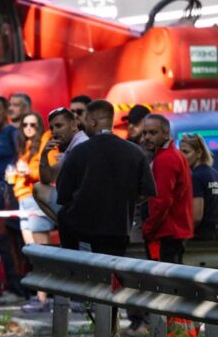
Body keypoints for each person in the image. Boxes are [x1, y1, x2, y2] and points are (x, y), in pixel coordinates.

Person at [54, 99, 155, 256]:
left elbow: (63, 195)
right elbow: (146, 192)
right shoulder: (135, 152)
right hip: (119, 230)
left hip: (84, 233)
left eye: (86, 120)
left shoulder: (79, 152)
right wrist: (122, 202)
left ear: (93, 122)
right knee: (112, 269)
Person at [13, 111, 54, 313]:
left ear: (40, 127)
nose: (28, 128)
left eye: (33, 125)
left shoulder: (46, 143)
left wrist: (28, 172)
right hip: (24, 199)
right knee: (32, 252)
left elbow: (49, 172)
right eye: (25, 125)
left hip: (36, 199)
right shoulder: (26, 147)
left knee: (42, 253)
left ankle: (44, 298)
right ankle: (40, 297)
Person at [139, 113, 192, 265]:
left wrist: (148, 229)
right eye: (145, 133)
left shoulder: (165, 159)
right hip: (174, 231)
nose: (147, 137)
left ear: (166, 133)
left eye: (153, 133)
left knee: (163, 277)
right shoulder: (174, 154)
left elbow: (162, 201)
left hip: (166, 233)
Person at [180, 133, 218, 241]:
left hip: (201, 237)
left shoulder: (196, 177)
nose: (182, 156)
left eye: (186, 152)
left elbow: (196, 217)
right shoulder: (214, 174)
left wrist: (183, 235)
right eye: (180, 152)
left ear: (199, 153)